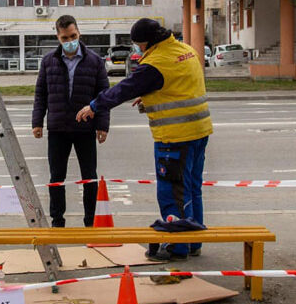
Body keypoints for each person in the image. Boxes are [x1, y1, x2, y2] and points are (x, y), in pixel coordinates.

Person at [77, 18, 212, 261]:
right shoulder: (185, 50)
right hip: (200, 132)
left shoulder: (156, 63)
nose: (138, 49)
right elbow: (179, 85)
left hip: (174, 137)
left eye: (139, 44)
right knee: (192, 188)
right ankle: (193, 241)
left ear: (148, 41)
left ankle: (176, 246)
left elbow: (124, 89)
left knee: (172, 193)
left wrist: (95, 106)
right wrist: (150, 95)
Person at [32, 15, 110, 227]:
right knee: (56, 177)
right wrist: (37, 122)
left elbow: (104, 95)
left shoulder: (94, 61)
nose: (70, 41)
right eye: (65, 38)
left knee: (89, 177)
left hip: (85, 128)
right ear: (58, 36)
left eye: (73, 36)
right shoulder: (49, 61)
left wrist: (103, 125)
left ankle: (90, 221)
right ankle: (57, 221)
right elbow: (41, 94)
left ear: (79, 33)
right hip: (58, 128)